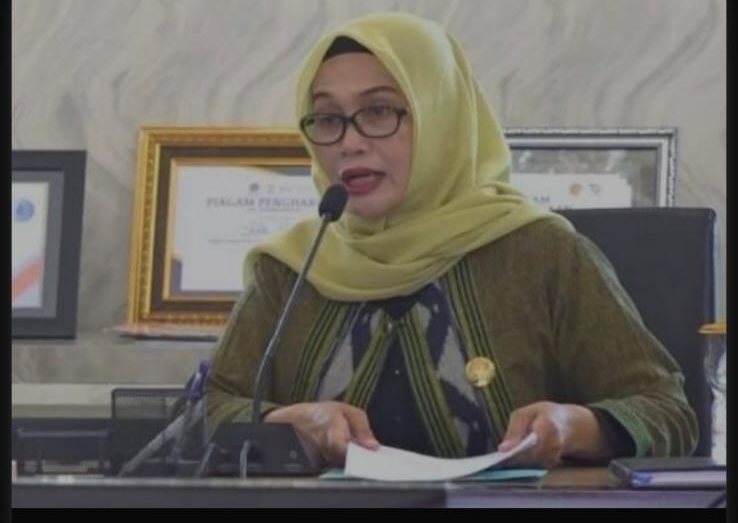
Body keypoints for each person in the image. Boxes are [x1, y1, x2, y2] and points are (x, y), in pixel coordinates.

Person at [204, 11, 697, 468]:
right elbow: (202, 411)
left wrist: (574, 427)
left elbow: (666, 410)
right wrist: (282, 423)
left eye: (379, 111)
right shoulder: (291, 268)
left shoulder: (541, 253)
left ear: (442, 116)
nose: (350, 142)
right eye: (329, 119)